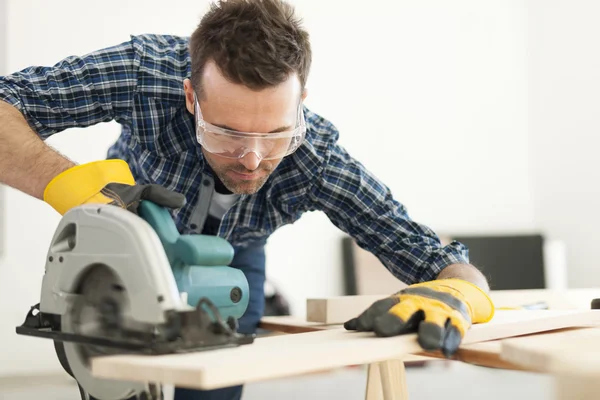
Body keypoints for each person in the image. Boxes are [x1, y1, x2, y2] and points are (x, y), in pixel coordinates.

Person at [0, 0, 495, 399]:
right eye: (227, 133)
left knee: (212, 386)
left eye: (276, 135)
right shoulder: (143, 74)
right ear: (192, 98)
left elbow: (442, 261)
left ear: (300, 104)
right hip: (130, 242)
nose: (253, 160)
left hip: (236, 256)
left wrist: (454, 295)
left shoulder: (316, 160)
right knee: (119, 381)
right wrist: (72, 188)